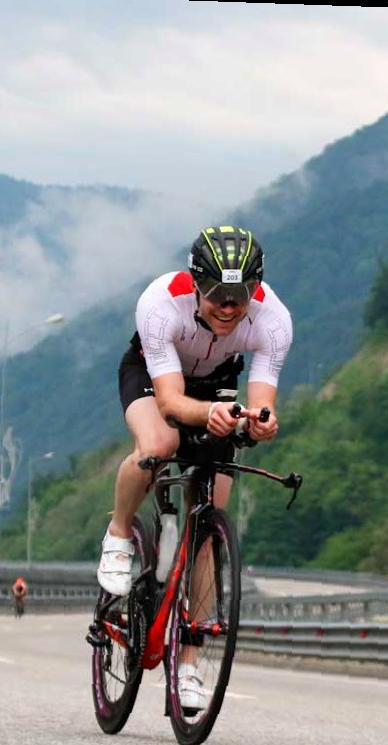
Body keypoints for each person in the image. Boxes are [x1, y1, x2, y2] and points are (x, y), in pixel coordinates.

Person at [98, 225, 292, 709]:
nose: (228, 306)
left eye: (240, 296)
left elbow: (262, 400)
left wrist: (261, 422)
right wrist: (209, 414)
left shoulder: (274, 320)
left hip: (216, 383)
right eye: (217, 294)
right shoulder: (160, 304)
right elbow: (169, 401)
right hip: (154, 376)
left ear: (256, 289)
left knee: (210, 516)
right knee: (159, 443)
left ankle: (188, 664)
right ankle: (119, 534)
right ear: (195, 283)